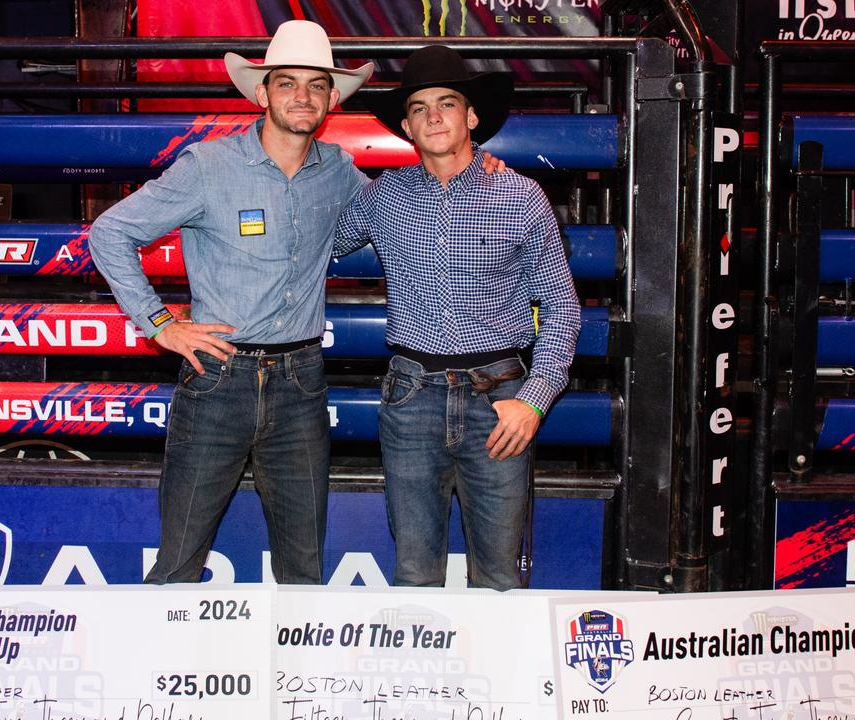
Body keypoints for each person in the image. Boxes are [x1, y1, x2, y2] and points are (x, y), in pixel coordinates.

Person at [87, 20, 374, 584]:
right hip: (219, 377)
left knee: (304, 570)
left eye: (316, 85)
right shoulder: (207, 166)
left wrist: (472, 166)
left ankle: (295, 676)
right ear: (262, 93)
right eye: (287, 83)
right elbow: (109, 233)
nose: (302, 96)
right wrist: (161, 324)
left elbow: (398, 208)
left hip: (301, 381)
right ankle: (161, 671)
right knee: (179, 563)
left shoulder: (339, 171)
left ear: (332, 99)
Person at [334, 45, 581, 590]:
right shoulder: (384, 196)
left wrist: (534, 401)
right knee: (414, 571)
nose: (434, 116)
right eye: (419, 107)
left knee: (498, 577)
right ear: (406, 125)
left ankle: (505, 677)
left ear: (471, 116)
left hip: (500, 402)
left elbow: (561, 306)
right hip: (410, 396)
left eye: (447, 103)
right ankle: (418, 678)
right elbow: (319, 244)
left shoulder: (521, 196)